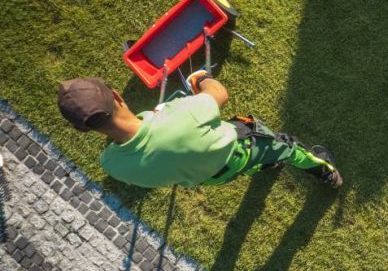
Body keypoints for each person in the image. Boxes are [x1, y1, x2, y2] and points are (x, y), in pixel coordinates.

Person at [56, 73, 342, 189]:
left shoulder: (111, 164)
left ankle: (266, 166)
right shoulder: (181, 113)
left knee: (253, 161)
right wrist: (201, 79)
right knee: (286, 145)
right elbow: (219, 93)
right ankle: (325, 171)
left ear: (83, 130)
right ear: (117, 96)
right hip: (240, 150)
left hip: (212, 178)